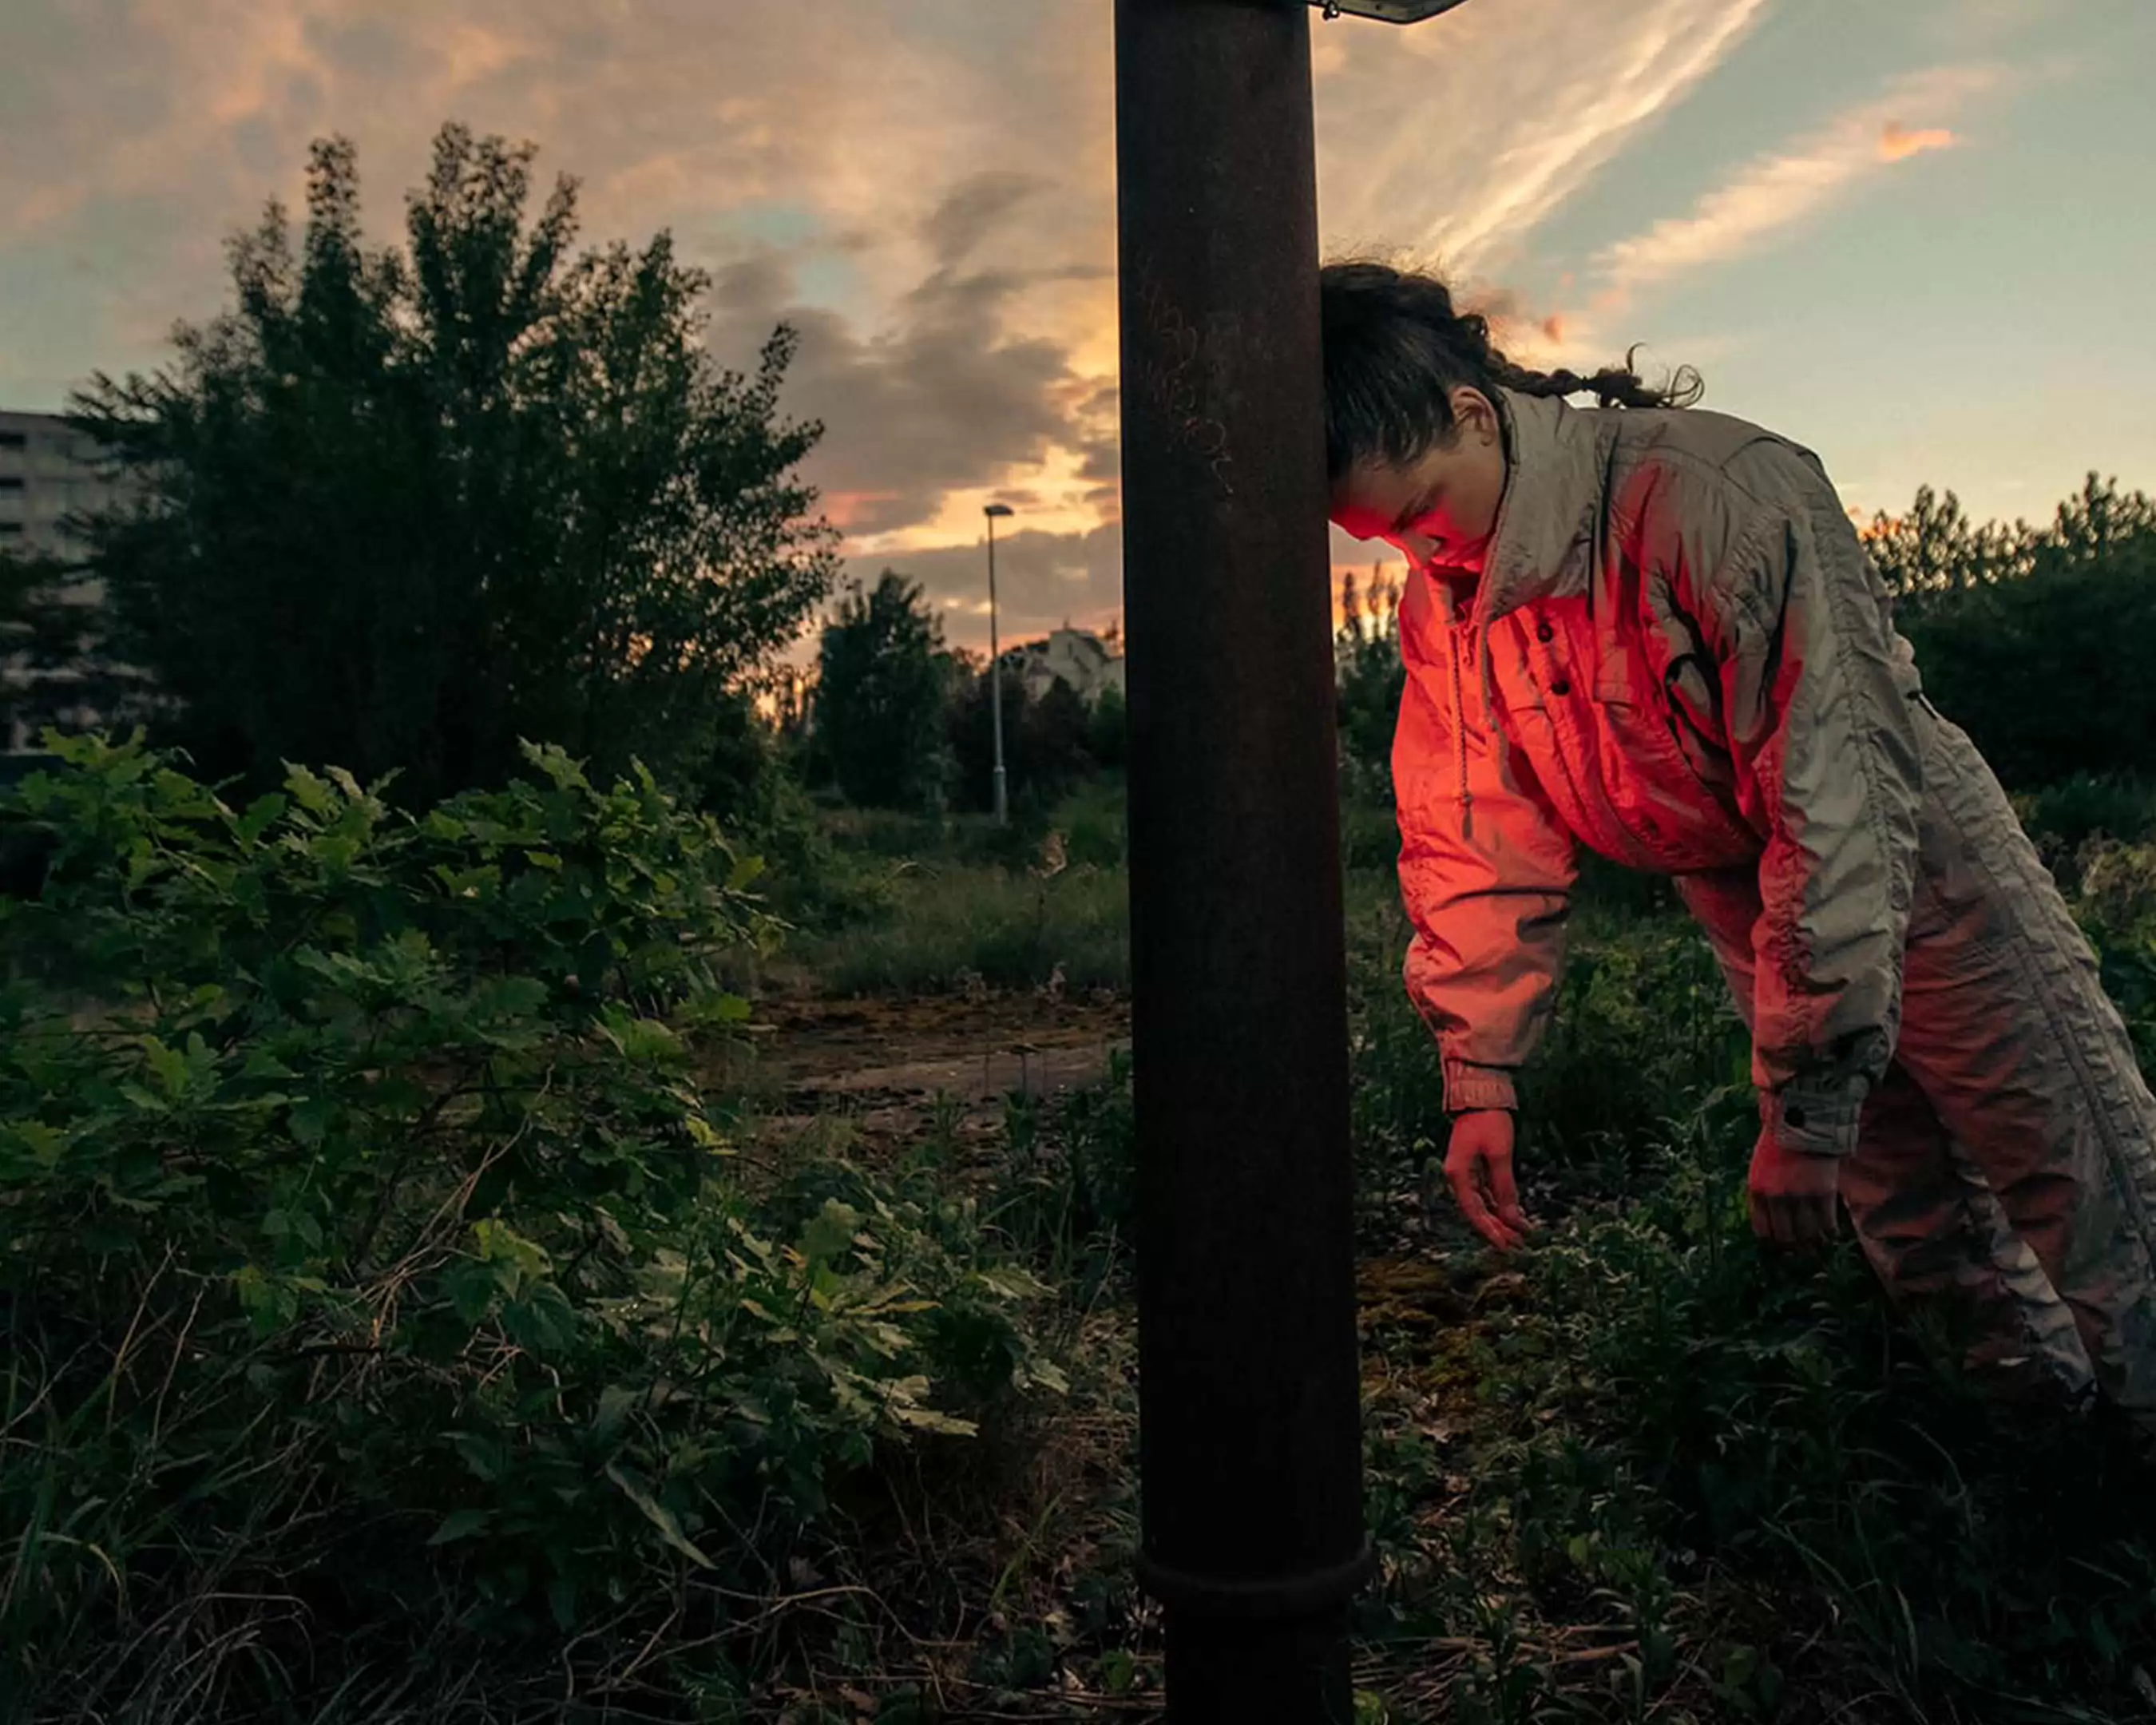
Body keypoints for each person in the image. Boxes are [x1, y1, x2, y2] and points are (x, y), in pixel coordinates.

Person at [1322, 259, 2156, 1423]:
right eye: (1380, 539)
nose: (1419, 554)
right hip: (1747, 897)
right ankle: (2048, 1508)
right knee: (1916, 1228)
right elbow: (1473, 837)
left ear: (1471, 413)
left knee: (2088, 1189)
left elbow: (1837, 794)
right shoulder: (1447, 604)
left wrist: (1804, 1110)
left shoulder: (1717, 494)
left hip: (1916, 865)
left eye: (1417, 513)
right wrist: (1481, 1080)